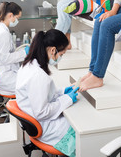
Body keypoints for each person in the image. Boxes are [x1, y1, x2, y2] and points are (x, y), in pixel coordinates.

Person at [16, 29, 79, 157]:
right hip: (45, 127)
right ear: (52, 50)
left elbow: (39, 94)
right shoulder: (38, 76)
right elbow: (42, 111)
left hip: (35, 121)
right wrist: (67, 99)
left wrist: (62, 91)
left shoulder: (29, 65)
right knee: (79, 131)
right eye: (62, 54)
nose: (61, 57)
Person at [0, 2, 29, 95]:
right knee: (30, 85)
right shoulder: (3, 33)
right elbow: (5, 58)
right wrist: (25, 53)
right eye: (17, 18)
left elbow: (5, 54)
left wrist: (22, 52)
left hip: (0, 70)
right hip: (3, 76)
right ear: (11, 15)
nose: (17, 21)